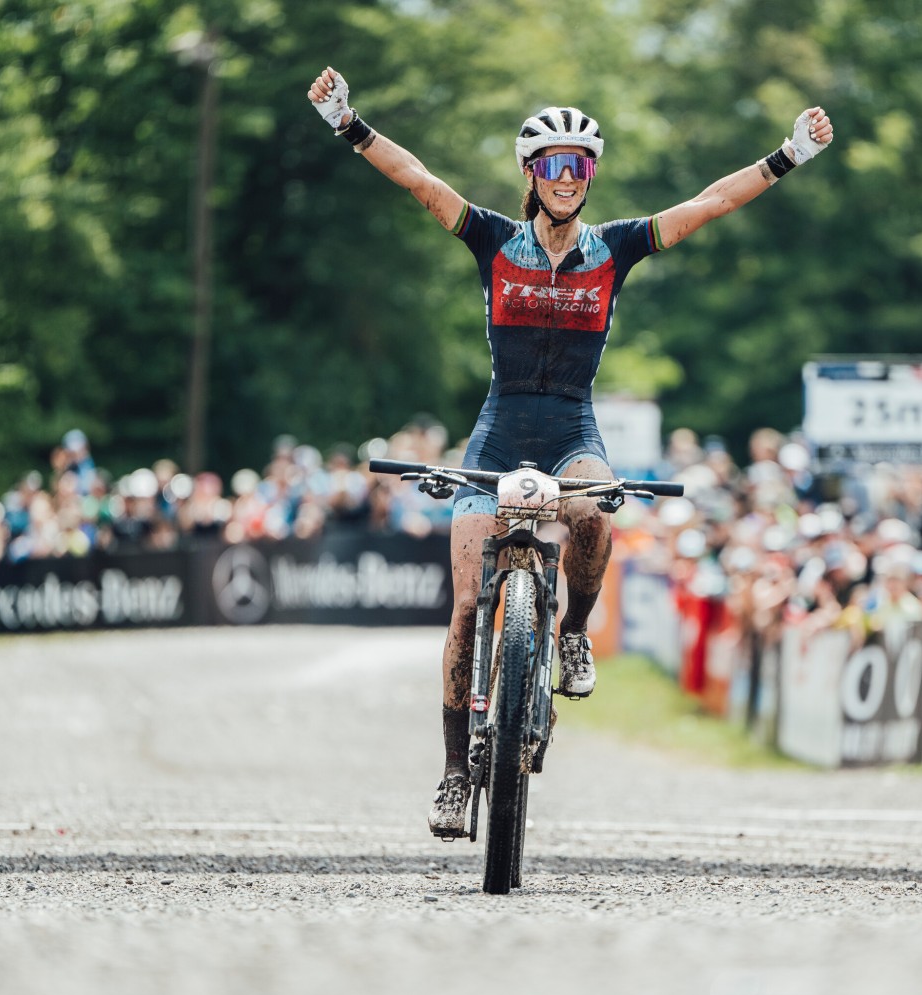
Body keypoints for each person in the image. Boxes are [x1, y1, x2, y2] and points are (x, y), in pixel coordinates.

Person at [307, 67, 834, 837]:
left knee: (595, 515)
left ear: (590, 177)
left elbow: (709, 204)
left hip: (571, 430)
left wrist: (787, 155)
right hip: (499, 428)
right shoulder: (493, 238)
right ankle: (455, 773)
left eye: (579, 165)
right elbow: (418, 181)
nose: (566, 177)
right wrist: (347, 122)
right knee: (461, 610)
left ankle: (575, 630)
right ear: (531, 173)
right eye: (552, 163)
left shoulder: (614, 250)